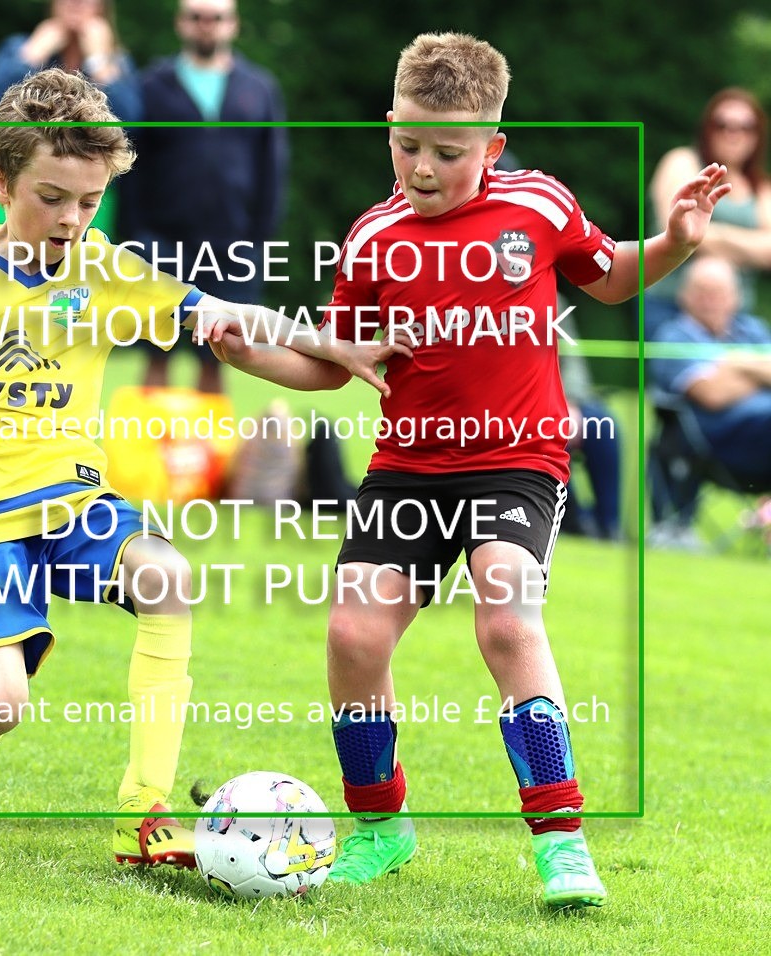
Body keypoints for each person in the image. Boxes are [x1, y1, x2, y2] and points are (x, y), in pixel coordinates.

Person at [200, 32, 729, 908]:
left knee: (507, 617)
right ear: (389, 128)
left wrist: (674, 241)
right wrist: (250, 355)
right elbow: (337, 362)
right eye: (407, 144)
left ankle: (562, 843)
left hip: (517, 460)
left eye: (449, 151)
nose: (423, 167)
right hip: (408, 468)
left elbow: (610, 278)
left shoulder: (540, 209)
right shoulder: (373, 236)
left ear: (494, 145)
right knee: (352, 638)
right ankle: (380, 826)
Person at [0, 68, 391, 860]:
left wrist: (330, 342)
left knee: (167, 577)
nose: (72, 219)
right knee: (0, 703)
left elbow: (223, 311)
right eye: (52, 197)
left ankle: (141, 815)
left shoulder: (103, 268)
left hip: (76, 499)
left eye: (88, 201)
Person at [121, 0, 287, 394]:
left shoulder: (259, 89)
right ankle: (145, 454)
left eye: (217, 18)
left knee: (219, 358)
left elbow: (273, 170)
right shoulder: (149, 87)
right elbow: (129, 169)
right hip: (159, 244)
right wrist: (133, 238)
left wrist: (258, 242)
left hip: (232, 247)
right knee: (155, 357)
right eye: (197, 17)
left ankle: (212, 456)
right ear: (181, 23)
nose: (207, 26)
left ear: (233, 24)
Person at [0, 0, 141, 233]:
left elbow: (129, 123)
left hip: (85, 189)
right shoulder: (21, 46)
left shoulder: (117, 62)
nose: (76, 2)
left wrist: (98, 60)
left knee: (74, 266)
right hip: (15, 177)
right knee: (0, 261)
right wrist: (35, 51)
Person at [649, 255, 771, 518]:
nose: (711, 301)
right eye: (702, 292)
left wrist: (736, 364)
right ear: (684, 296)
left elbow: (721, 384)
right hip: (717, 440)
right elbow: (711, 394)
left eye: (719, 293)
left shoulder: (753, 330)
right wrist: (760, 374)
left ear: (737, 297)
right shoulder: (673, 337)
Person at [645, 87, 771, 339]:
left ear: (757, 135)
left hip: (737, 319)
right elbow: (676, 228)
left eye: (745, 127)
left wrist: (709, 237)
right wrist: (747, 246)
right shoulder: (681, 162)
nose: (733, 134)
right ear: (707, 129)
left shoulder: (762, 188)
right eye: (722, 124)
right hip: (671, 307)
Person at [558, 307, 622, 540]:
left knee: (601, 424)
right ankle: (575, 519)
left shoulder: (554, 301)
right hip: (518, 406)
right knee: (546, 431)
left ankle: (609, 524)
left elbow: (572, 362)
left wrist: (570, 402)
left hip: (562, 397)